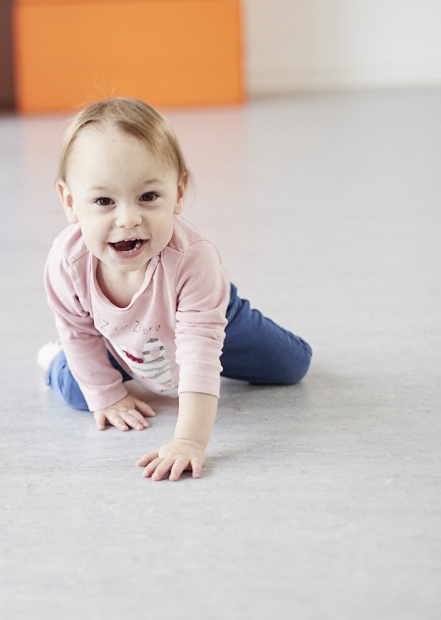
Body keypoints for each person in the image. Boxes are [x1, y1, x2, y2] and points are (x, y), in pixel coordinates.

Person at [39, 97, 312, 481]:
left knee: (293, 365)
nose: (128, 218)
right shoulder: (67, 263)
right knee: (78, 391)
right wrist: (109, 397)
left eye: (148, 197)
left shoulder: (193, 259)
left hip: (209, 319)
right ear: (70, 202)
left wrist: (188, 441)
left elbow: (199, 355)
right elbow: (79, 331)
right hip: (119, 339)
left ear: (179, 192)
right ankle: (54, 360)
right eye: (103, 201)